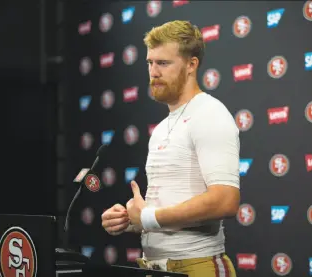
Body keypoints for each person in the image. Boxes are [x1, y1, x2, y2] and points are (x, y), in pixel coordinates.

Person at [101, 20, 240, 277]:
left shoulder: (210, 114)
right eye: (150, 63)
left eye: (163, 63)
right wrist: (131, 219)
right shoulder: (163, 127)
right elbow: (166, 207)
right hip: (156, 267)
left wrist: (148, 217)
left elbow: (225, 201)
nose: (153, 72)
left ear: (191, 64)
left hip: (197, 266)